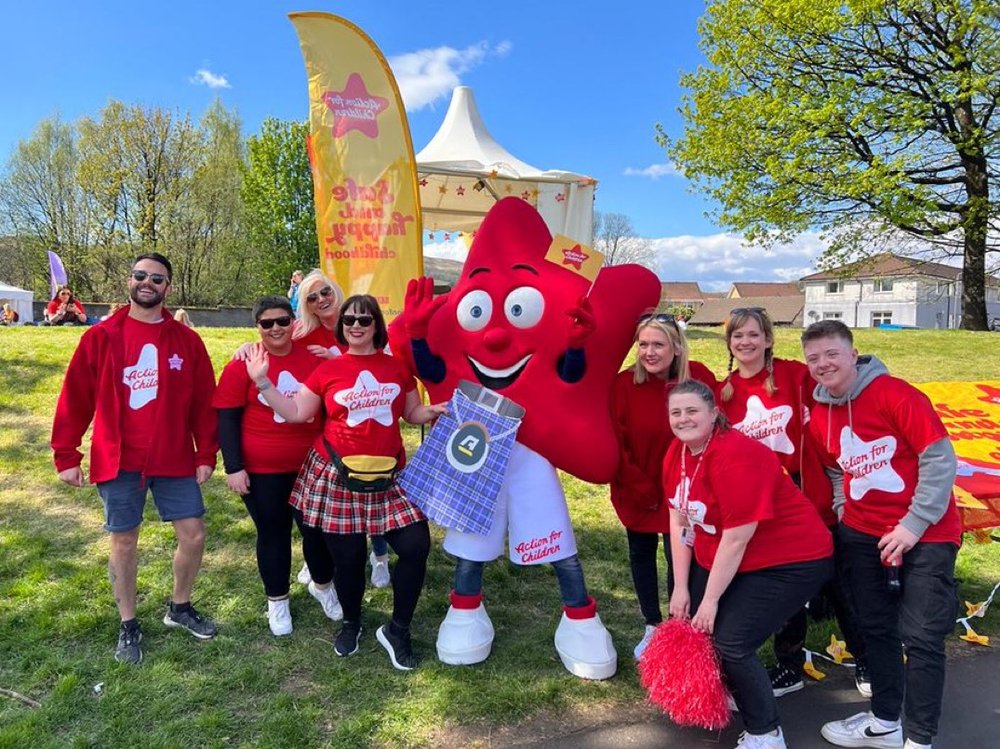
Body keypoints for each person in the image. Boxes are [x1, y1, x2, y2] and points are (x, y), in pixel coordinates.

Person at [247, 294, 446, 670]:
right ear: (343, 326)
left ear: (376, 326)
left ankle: (398, 629)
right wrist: (263, 383)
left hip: (389, 477)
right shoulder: (327, 371)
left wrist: (429, 412)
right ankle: (352, 623)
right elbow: (295, 412)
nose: (356, 325)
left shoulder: (397, 367)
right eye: (350, 319)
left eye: (365, 319)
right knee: (349, 558)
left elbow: (410, 411)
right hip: (337, 475)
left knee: (416, 546)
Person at [51, 252, 219, 665]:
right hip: (119, 457)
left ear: (168, 288)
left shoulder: (186, 341)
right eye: (141, 275)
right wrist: (66, 454)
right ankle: (128, 623)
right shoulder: (101, 337)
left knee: (194, 534)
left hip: (174, 456)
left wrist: (206, 452)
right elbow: (75, 397)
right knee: (124, 539)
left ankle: (180, 607)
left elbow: (203, 402)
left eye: (157, 278)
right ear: (130, 281)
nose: (148, 283)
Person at [802, 320, 960, 749]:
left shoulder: (897, 394)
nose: (823, 364)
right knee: (876, 629)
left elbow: (940, 460)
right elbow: (836, 471)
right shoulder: (820, 416)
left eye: (832, 354)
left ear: (854, 354)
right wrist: (843, 512)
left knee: (922, 637)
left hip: (926, 531)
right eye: (813, 358)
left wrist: (911, 525)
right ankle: (886, 722)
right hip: (862, 534)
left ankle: (920, 740)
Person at [663, 379, 833, 749]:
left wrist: (710, 599)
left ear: (714, 413)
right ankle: (733, 694)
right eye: (676, 412)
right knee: (698, 628)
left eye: (692, 410)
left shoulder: (736, 454)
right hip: (734, 555)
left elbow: (738, 536)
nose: (683, 418)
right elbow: (679, 523)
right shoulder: (676, 453)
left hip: (791, 558)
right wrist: (680, 588)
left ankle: (766, 732)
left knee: (732, 641)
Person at [717, 307, 868, 698]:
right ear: (729, 343)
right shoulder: (725, 393)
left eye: (753, 334)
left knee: (840, 584)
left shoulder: (794, 376)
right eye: (737, 336)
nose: (745, 342)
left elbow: (840, 397)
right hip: (764, 510)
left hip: (809, 497)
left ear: (768, 339)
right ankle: (789, 664)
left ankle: (866, 658)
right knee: (783, 589)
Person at [213, 296, 342, 636]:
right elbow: (226, 416)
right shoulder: (243, 363)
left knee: (316, 531)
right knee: (273, 532)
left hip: (311, 464)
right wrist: (233, 467)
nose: (276, 329)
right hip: (262, 467)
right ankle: (277, 600)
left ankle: (323, 586)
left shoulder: (312, 359)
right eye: (267, 323)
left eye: (282, 321)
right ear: (257, 327)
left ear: (293, 322)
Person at [609, 311, 716, 660]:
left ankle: (678, 626)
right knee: (641, 554)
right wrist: (639, 486)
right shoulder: (625, 385)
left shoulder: (698, 378)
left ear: (677, 347)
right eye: (643, 344)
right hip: (638, 488)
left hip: (685, 492)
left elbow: (715, 430)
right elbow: (616, 441)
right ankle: (651, 623)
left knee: (680, 558)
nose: (649, 352)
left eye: (658, 344)